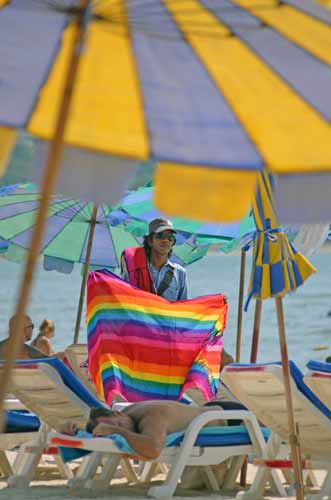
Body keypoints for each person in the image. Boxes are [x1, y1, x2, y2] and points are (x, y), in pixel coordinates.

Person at [61, 400, 226, 460]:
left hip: (226, 419)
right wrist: (71, 431)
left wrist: (118, 431)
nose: (117, 430)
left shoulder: (151, 417)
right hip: (208, 413)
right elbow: (98, 435)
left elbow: (153, 449)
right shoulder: (128, 416)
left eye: (117, 424)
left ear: (119, 413)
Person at [121, 218, 187, 301]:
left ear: (173, 242)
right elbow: (123, 298)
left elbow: (183, 306)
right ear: (150, 241)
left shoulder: (180, 272)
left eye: (170, 237)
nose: (165, 240)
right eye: (160, 236)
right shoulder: (134, 269)